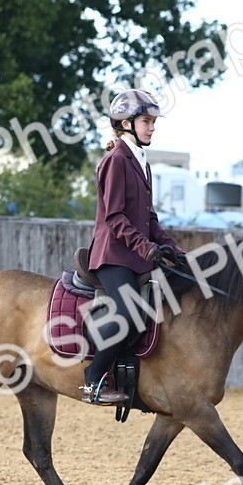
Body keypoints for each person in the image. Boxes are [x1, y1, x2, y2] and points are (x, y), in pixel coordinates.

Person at [80, 88, 186, 405]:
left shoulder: (143, 163)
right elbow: (114, 216)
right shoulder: (116, 161)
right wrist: (144, 248)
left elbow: (149, 218)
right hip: (113, 256)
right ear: (126, 124)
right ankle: (93, 380)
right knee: (128, 311)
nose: (151, 127)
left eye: (153, 122)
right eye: (146, 121)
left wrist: (172, 250)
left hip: (135, 256)